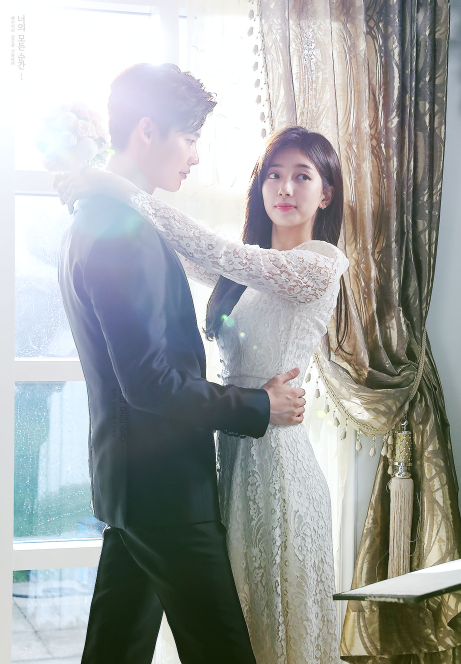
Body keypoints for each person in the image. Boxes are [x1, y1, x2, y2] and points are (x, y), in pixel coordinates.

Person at [57, 123, 349, 664]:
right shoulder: (241, 272)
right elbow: (179, 249)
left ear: (326, 193)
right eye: (273, 175)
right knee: (236, 622)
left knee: (272, 625)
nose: (285, 188)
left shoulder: (320, 263)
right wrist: (98, 187)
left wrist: (112, 185)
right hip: (230, 454)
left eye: (302, 176)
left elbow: (207, 247)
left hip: (278, 461)